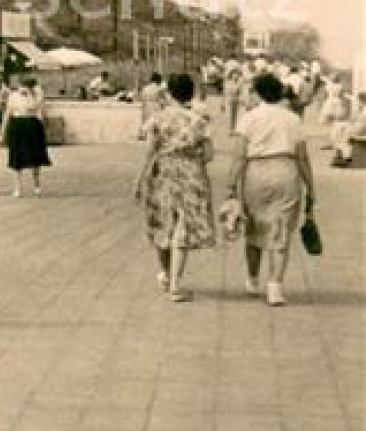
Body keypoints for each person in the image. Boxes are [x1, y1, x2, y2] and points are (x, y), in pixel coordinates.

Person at [229, 72, 315, 306]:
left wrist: (231, 187)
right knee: (281, 230)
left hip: (256, 173)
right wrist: (311, 186)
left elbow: (239, 157)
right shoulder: (293, 119)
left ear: (258, 93)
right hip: (286, 171)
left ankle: (253, 279)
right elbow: (303, 158)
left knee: (254, 227)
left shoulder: (248, 118)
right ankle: (275, 287)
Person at [134, 73, 217, 302]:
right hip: (191, 175)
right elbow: (209, 155)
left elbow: (149, 151)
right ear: (190, 94)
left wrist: (140, 179)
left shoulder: (156, 119)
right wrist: (191, 156)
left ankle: (166, 274)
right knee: (182, 227)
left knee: (162, 224)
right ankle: (176, 285)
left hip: (161, 172)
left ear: (169, 93)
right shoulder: (199, 121)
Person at [5, 75, 52, 197]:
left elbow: (39, 110)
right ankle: (18, 187)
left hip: (31, 123)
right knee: (17, 156)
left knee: (34, 156)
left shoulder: (37, 95)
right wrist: (5, 130)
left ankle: (36, 186)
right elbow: (8, 112)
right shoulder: (14, 95)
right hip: (18, 123)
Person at [138, 73, 165, 138]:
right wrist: (162, 106)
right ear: (158, 80)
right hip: (156, 106)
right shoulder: (159, 89)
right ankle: (157, 135)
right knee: (157, 122)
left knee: (145, 120)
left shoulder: (145, 88)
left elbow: (142, 99)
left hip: (146, 105)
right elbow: (162, 99)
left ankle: (142, 134)